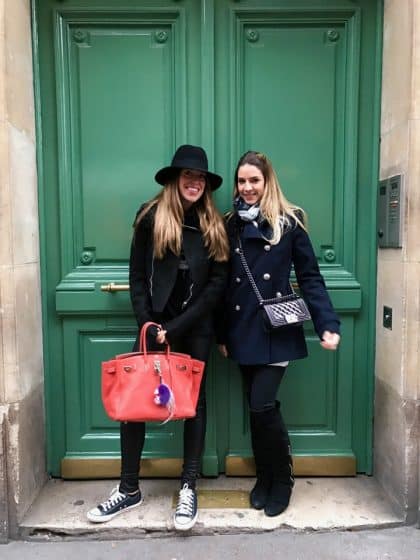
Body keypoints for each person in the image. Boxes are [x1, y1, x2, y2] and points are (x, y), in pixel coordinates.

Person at [87, 145, 229, 530]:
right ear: (174, 180)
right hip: (154, 327)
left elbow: (217, 286)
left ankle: (188, 487)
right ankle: (128, 488)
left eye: (199, 178)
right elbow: (136, 276)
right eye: (187, 175)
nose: (194, 182)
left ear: (206, 185)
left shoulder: (215, 223)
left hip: (194, 328)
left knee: (194, 405)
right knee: (134, 404)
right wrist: (148, 324)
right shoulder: (150, 217)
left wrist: (177, 328)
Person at [218, 151, 340, 517]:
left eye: (254, 180)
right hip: (241, 328)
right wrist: (222, 334)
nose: (247, 187)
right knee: (257, 410)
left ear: (267, 181)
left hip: (275, 327)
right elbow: (223, 286)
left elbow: (310, 277)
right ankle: (265, 477)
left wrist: (327, 323)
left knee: (263, 405)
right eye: (242, 181)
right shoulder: (230, 224)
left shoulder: (290, 222)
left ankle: (282, 479)